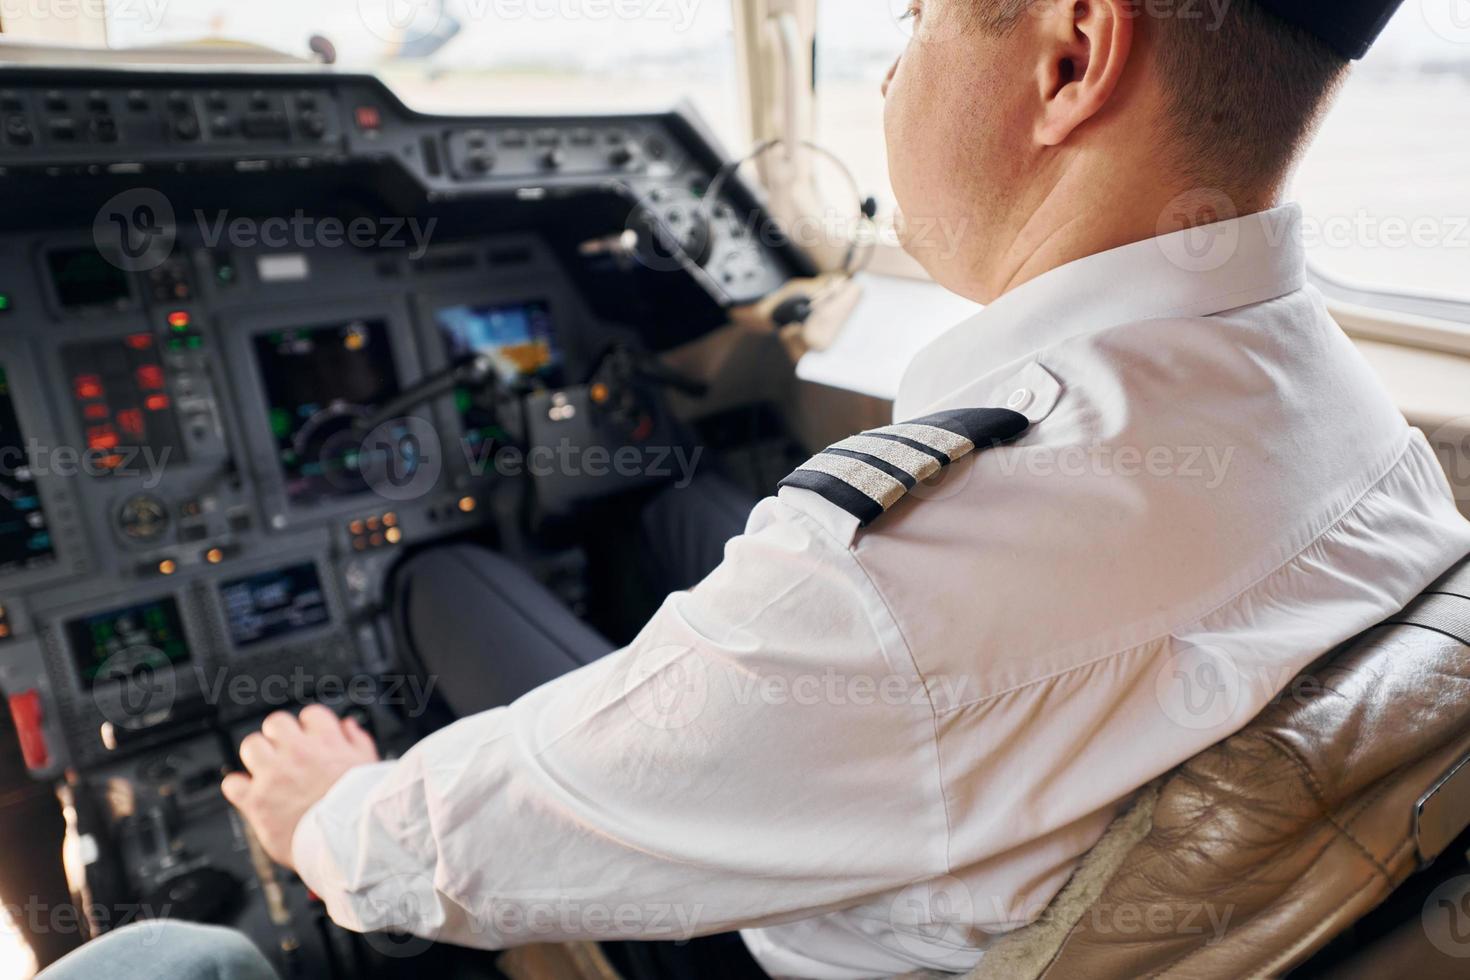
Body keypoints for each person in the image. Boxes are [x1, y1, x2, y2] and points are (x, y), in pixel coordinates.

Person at [178, 1, 1470, 977]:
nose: (894, 66)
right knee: (664, 502)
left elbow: (503, 833)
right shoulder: (1339, 404)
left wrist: (326, 823)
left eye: (914, 17)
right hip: (1097, 841)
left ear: (1069, 60)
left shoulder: (907, 574)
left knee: (441, 576)